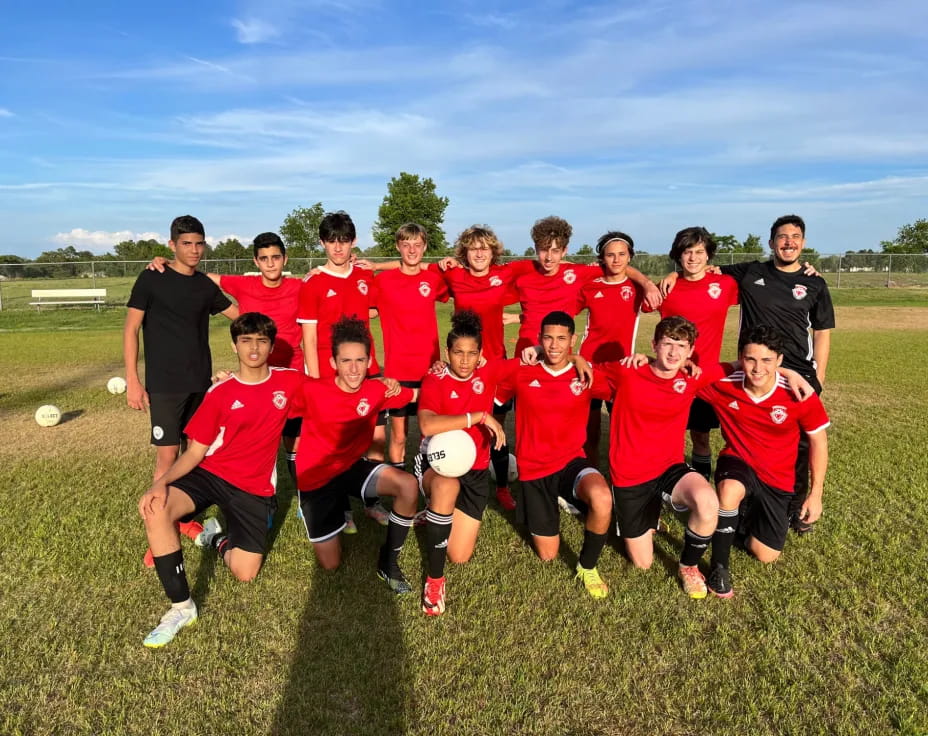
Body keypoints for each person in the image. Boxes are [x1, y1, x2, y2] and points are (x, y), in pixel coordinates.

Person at [137, 312, 306, 647]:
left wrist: (383, 384)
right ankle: (182, 607)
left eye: (261, 341)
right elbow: (195, 453)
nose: (254, 348)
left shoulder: (290, 382)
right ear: (234, 346)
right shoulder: (220, 392)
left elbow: (334, 391)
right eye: (246, 341)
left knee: (245, 573)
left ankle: (215, 538)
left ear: (271, 346)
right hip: (212, 473)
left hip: (253, 487)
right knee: (157, 507)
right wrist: (160, 483)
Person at [661, 215, 833, 533]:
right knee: (743, 438)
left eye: (795, 236)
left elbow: (822, 332)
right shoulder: (750, 272)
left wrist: (818, 378)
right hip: (753, 367)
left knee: (797, 445)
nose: (789, 242)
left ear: (803, 242)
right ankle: (732, 500)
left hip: (797, 372)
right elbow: (705, 270)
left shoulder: (814, 282)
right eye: (782, 236)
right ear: (771, 242)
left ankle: (795, 507)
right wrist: (673, 272)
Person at [124, 215, 238, 567]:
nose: (194, 249)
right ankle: (158, 530)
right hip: (165, 386)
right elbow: (131, 330)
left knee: (195, 454)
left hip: (200, 385)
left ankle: (183, 518)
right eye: (186, 243)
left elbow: (240, 316)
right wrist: (133, 380)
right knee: (167, 458)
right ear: (172, 245)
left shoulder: (204, 286)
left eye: (199, 243)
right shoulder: (152, 278)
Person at [147, 232, 304, 483]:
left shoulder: (299, 286)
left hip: (291, 374)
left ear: (285, 259)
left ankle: (302, 492)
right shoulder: (242, 284)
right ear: (256, 261)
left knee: (294, 440)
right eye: (264, 258)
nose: (270, 263)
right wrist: (171, 263)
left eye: (276, 257)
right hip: (255, 378)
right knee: (254, 439)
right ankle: (252, 490)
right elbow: (201, 275)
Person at [698, 325, 830, 597]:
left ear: (780, 360)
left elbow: (818, 441)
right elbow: (684, 375)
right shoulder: (725, 383)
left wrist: (816, 494)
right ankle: (719, 568)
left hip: (777, 478)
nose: (758, 368)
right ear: (740, 357)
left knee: (766, 554)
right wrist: (731, 366)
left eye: (767, 360)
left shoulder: (798, 393)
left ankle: (738, 522)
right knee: (729, 490)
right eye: (750, 359)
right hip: (738, 462)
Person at [292, 316, 421, 594]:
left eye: (360, 361)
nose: (353, 369)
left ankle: (388, 563)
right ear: (333, 363)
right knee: (331, 564)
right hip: (316, 478)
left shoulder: (376, 389)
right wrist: (227, 380)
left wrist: (443, 373)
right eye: (346, 361)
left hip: (350, 467)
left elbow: (415, 396)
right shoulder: (312, 390)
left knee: (408, 485)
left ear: (370, 361)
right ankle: (333, 512)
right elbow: (270, 395)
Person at [604, 316, 729, 599]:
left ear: (690, 351)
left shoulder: (689, 378)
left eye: (681, 346)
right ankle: (640, 514)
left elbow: (735, 366)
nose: (673, 352)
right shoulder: (627, 372)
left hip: (669, 468)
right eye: (667, 344)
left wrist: (790, 372)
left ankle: (688, 566)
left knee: (708, 502)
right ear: (654, 345)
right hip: (630, 476)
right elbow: (579, 370)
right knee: (643, 563)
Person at [496, 311, 615, 599]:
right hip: (533, 470)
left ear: (573, 339)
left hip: (571, 461)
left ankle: (587, 566)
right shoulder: (521, 372)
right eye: (548, 338)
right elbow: (485, 384)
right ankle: (559, 499)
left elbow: (625, 381)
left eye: (562, 338)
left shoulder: (584, 375)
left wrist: (578, 359)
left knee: (602, 497)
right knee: (548, 555)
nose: (554, 345)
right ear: (539, 339)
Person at [296, 211, 386, 529]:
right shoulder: (313, 283)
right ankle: (342, 508)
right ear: (322, 243)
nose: (338, 247)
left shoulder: (364, 276)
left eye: (344, 240)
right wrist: (314, 380)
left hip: (366, 369)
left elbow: (376, 307)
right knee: (336, 444)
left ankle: (372, 503)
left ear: (353, 241)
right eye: (332, 241)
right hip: (329, 375)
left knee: (376, 436)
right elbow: (308, 336)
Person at [415, 310, 509, 615]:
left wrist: (575, 358)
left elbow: (534, 361)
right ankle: (434, 581)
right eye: (458, 353)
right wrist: (478, 417)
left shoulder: (489, 372)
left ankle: (435, 515)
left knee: (460, 555)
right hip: (437, 465)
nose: (465, 361)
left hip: (476, 471)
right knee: (446, 486)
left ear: (481, 355)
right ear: (447, 353)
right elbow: (427, 424)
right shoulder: (435, 378)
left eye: (471, 353)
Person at [648, 227, 739, 479]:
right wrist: (673, 275)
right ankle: (666, 483)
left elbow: (761, 284)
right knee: (666, 435)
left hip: (704, 377)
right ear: (679, 255)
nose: (693, 257)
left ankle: (700, 483)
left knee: (700, 437)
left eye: (699, 252)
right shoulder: (667, 288)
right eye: (687, 252)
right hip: (670, 375)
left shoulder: (725, 284)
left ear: (708, 255)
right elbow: (636, 297)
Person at [369, 223, 449, 469]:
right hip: (398, 371)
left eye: (417, 245)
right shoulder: (383, 282)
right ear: (398, 247)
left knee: (430, 434)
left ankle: (427, 481)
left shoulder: (434, 280)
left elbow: (455, 283)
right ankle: (398, 484)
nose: (412, 250)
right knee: (399, 436)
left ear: (425, 247)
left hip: (430, 369)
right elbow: (366, 309)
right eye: (406, 245)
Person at [574, 231, 645, 466]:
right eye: (610, 255)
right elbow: (564, 311)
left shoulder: (638, 287)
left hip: (622, 368)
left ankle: (621, 477)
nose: (616, 260)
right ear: (602, 258)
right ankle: (590, 472)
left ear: (630, 257)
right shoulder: (590, 287)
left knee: (622, 430)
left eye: (622, 254)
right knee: (590, 429)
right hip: (590, 366)